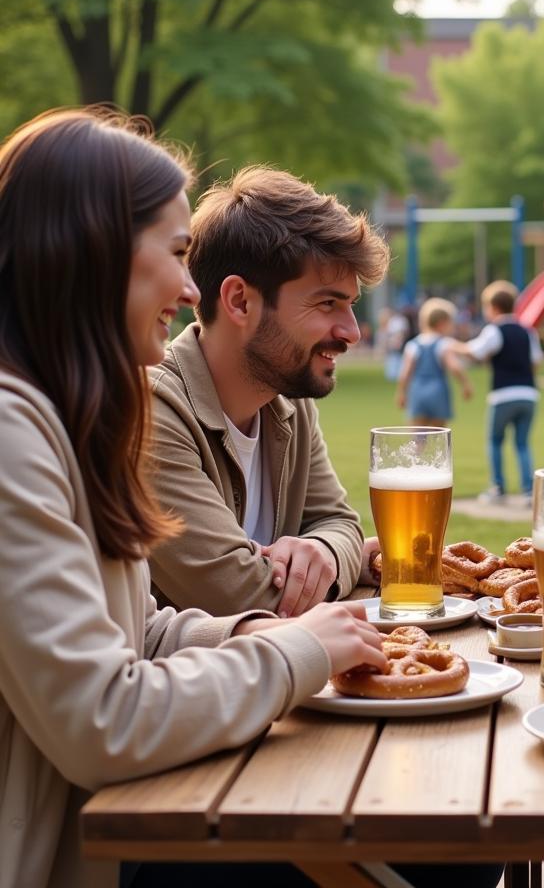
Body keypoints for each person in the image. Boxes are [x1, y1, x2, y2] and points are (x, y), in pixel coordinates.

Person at [0, 108, 388, 888]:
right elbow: (101, 719)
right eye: (176, 254)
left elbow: (136, 628)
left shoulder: (66, 416)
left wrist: (259, 627)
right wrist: (296, 646)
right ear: (94, 253)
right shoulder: (14, 432)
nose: (188, 285)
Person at [147, 167, 385, 619]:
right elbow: (240, 596)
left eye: (351, 306)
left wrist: (326, 555)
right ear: (239, 301)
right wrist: (343, 568)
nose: (351, 332)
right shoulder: (152, 414)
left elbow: (341, 525)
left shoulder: (287, 400)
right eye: (327, 303)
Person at [450, 279, 542, 503]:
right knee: (522, 443)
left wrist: (451, 344)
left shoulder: (494, 330)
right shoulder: (527, 331)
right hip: (528, 394)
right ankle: (529, 490)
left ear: (492, 307)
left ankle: (497, 487)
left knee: (495, 441)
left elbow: (475, 352)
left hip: (503, 395)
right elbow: (536, 361)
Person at [397, 296, 472, 425]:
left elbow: (405, 373)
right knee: (439, 436)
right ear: (442, 323)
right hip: (438, 392)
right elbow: (454, 367)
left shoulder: (413, 345)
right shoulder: (443, 344)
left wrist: (402, 392)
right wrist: (465, 384)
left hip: (417, 391)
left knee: (418, 438)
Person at [382, 305, 411, 381]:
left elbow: (404, 333)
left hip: (399, 342)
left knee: (399, 358)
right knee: (393, 358)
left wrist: (399, 340)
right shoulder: (394, 320)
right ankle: (392, 374)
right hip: (393, 341)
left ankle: (397, 374)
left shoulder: (401, 320)